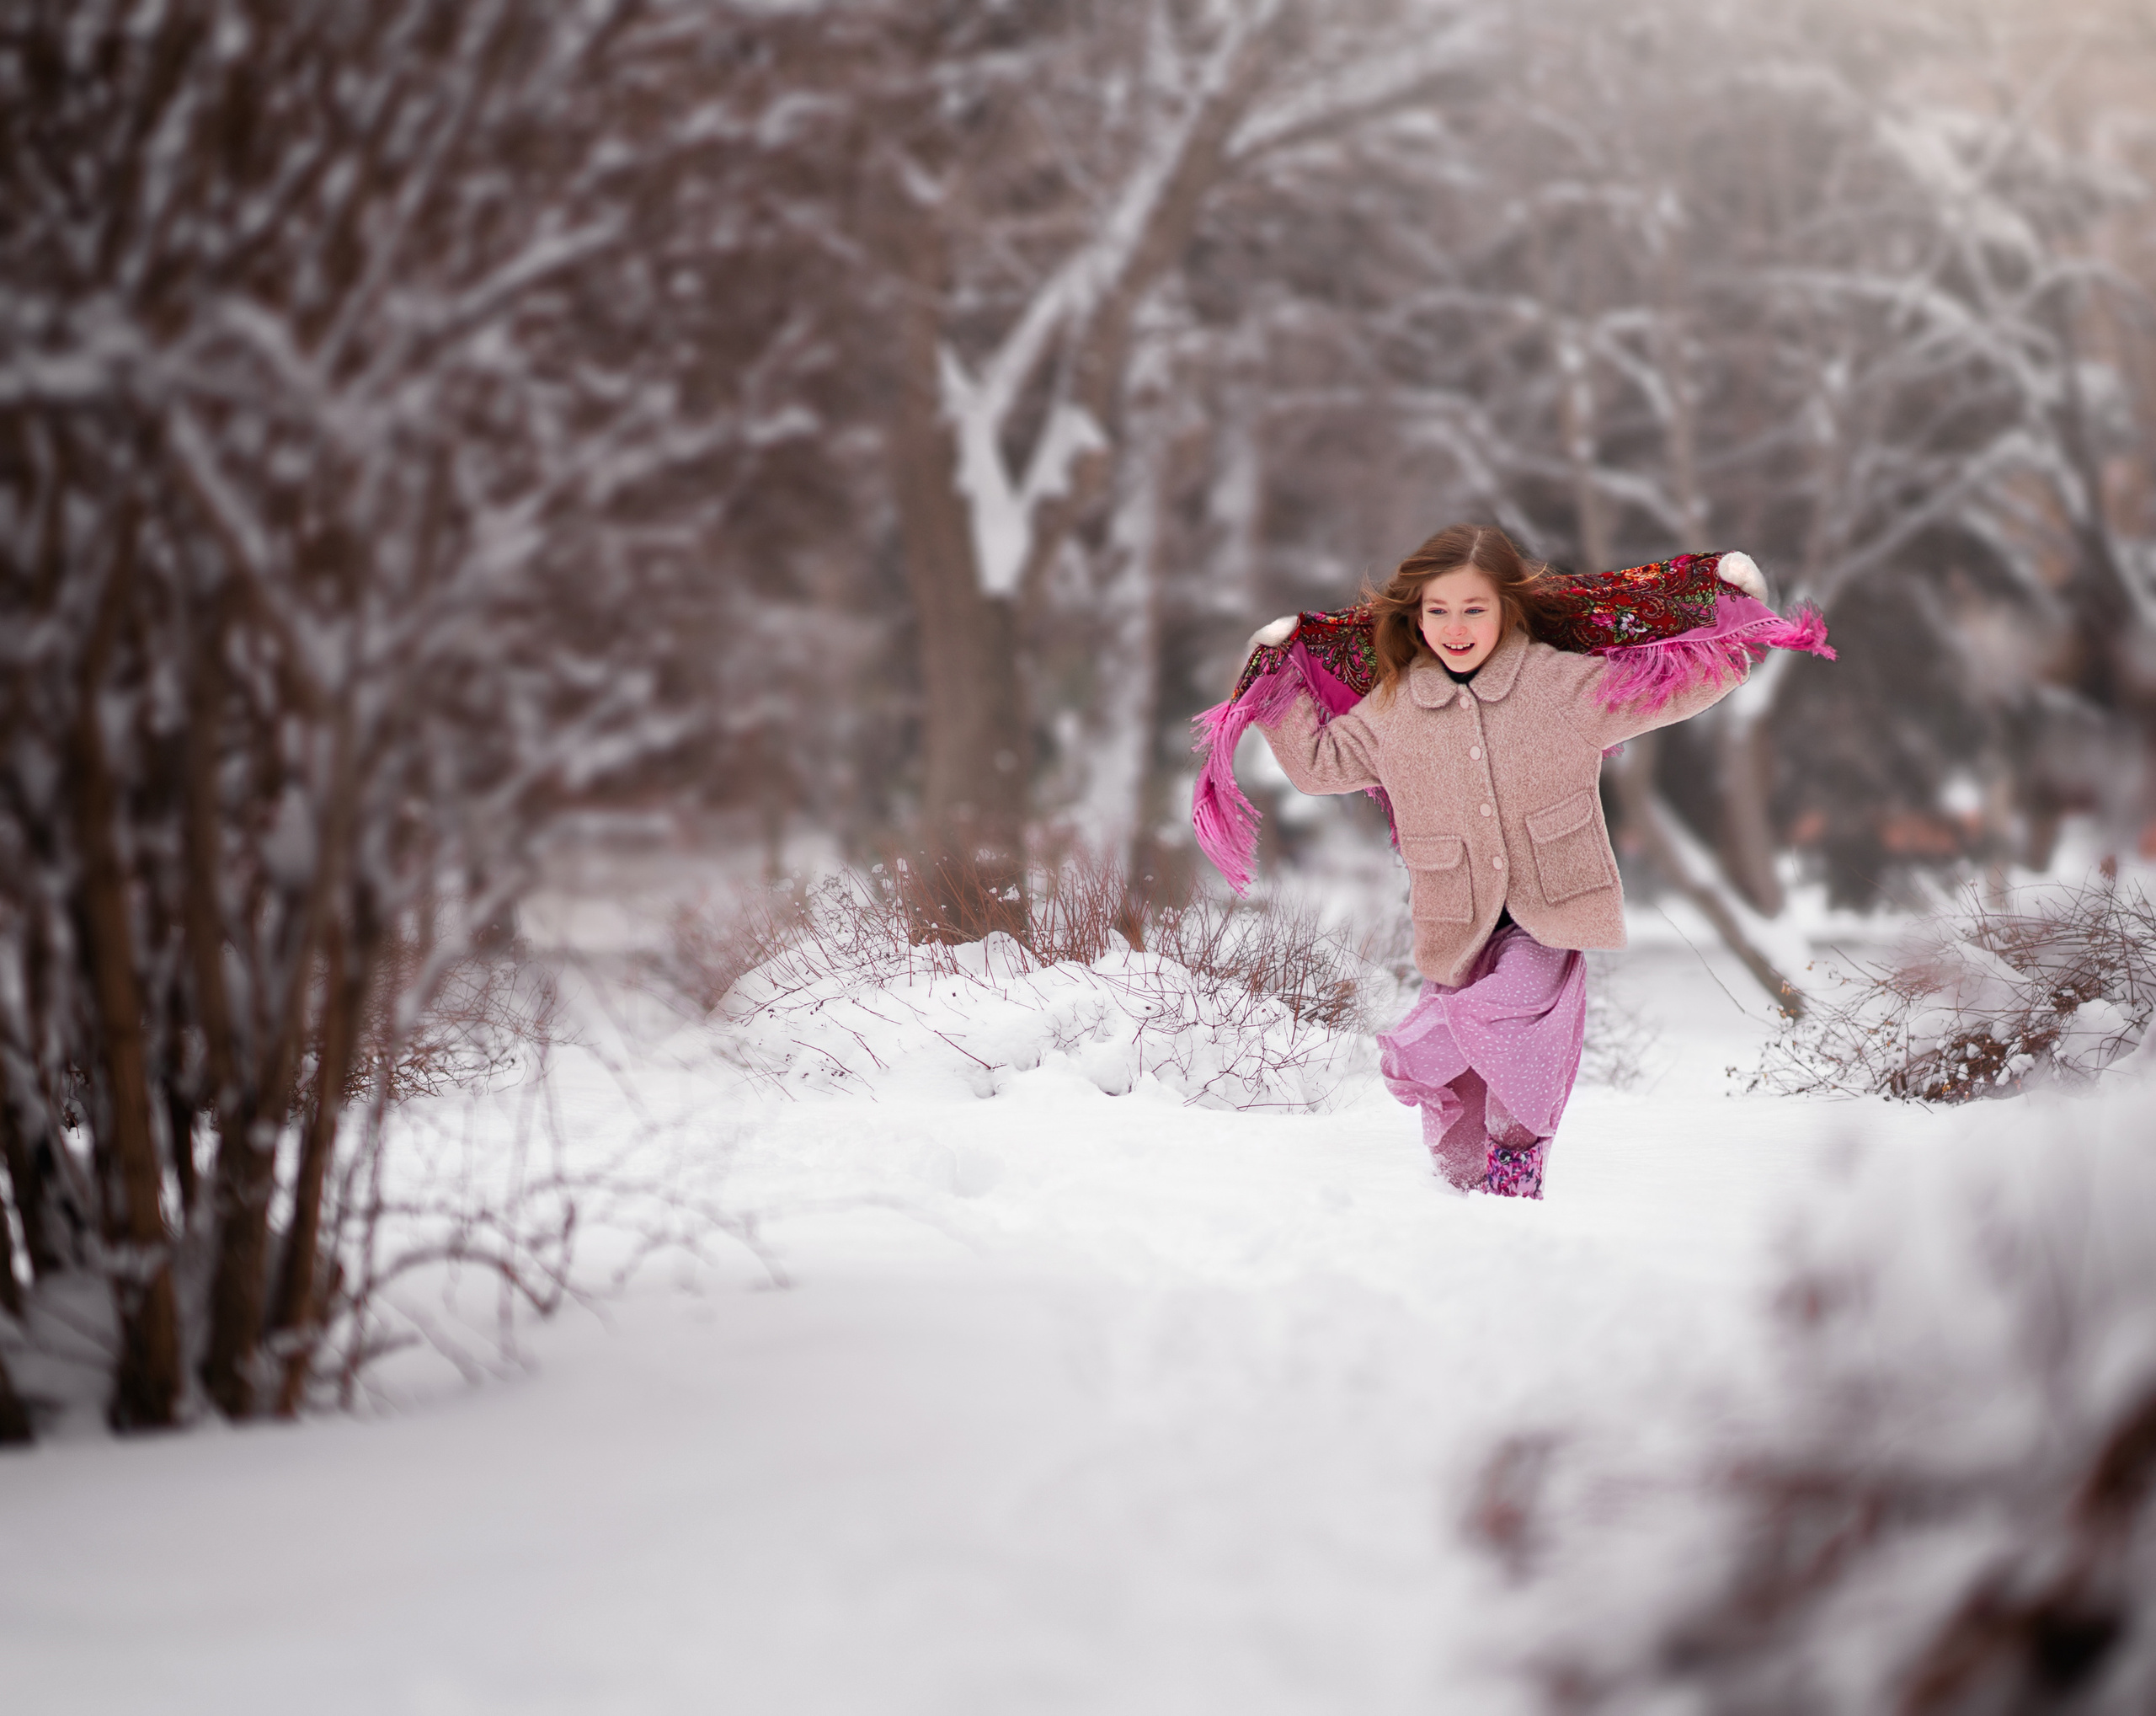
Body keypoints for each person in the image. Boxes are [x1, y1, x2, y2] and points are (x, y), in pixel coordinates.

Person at [1256, 524, 1749, 1198]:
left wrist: (1734, 613)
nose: (1455, 627)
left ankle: (1506, 1174)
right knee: (1468, 1101)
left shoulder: (1558, 685)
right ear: (1416, 616)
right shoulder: (1394, 708)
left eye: (1474, 609)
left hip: (1553, 900)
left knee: (1520, 1035)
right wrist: (1275, 681)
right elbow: (1317, 765)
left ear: (1507, 608)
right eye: (1438, 610)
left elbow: (1665, 690)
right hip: (1456, 914)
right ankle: (1464, 1196)